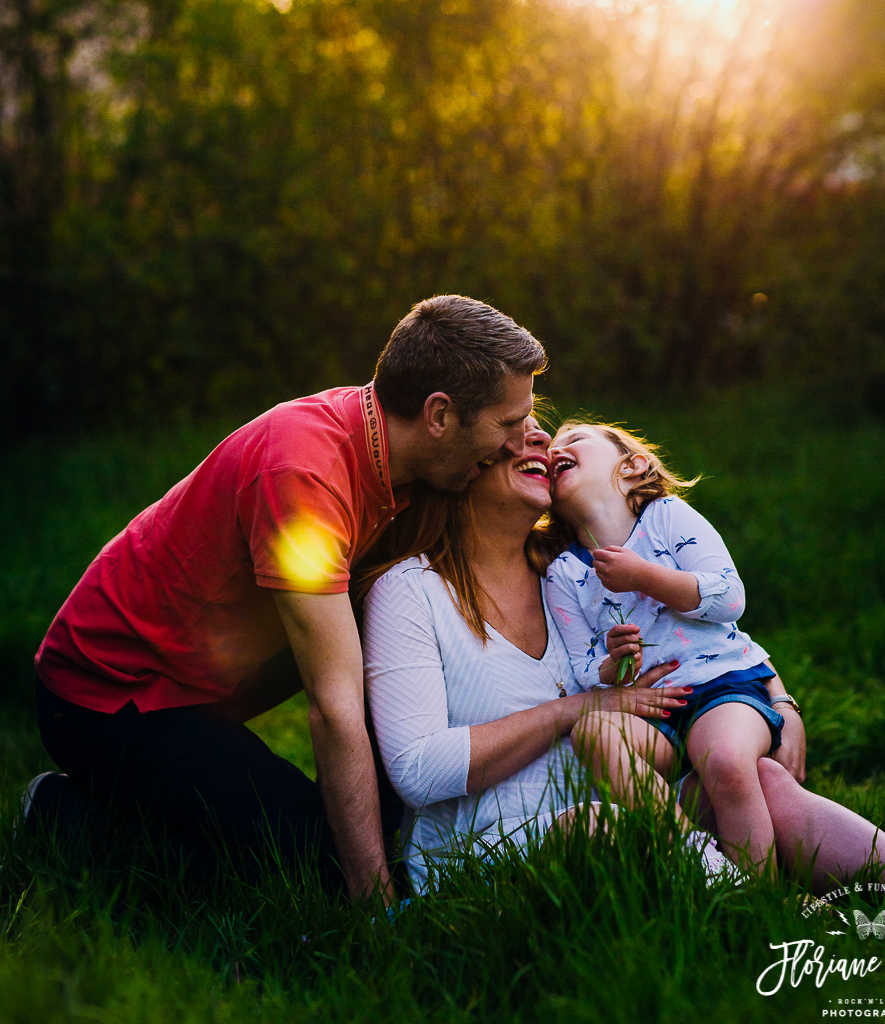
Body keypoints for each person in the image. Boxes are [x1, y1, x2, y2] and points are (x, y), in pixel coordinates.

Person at [28, 295, 545, 902]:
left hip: (212, 671)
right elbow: (333, 707)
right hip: (111, 696)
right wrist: (371, 895)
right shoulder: (304, 474)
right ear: (439, 415)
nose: (520, 441)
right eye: (508, 425)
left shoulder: (404, 452)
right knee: (307, 861)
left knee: (367, 823)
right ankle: (64, 817)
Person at [362, 419, 885, 897]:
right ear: (458, 464)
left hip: (617, 797)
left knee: (760, 778)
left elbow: (697, 630)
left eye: (542, 429)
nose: (539, 439)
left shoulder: (562, 569)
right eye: (515, 430)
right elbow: (417, 771)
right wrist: (575, 710)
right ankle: (750, 905)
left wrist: (777, 697)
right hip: (491, 845)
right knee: (602, 827)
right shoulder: (410, 591)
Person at [544, 420, 781, 874]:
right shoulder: (564, 574)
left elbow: (729, 597)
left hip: (721, 686)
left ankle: (762, 895)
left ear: (633, 467)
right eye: (553, 448)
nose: (558, 449)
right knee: (591, 733)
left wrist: (644, 577)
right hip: (654, 713)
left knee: (727, 761)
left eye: (574, 441)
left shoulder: (667, 517)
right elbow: (584, 669)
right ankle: (699, 860)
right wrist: (612, 662)